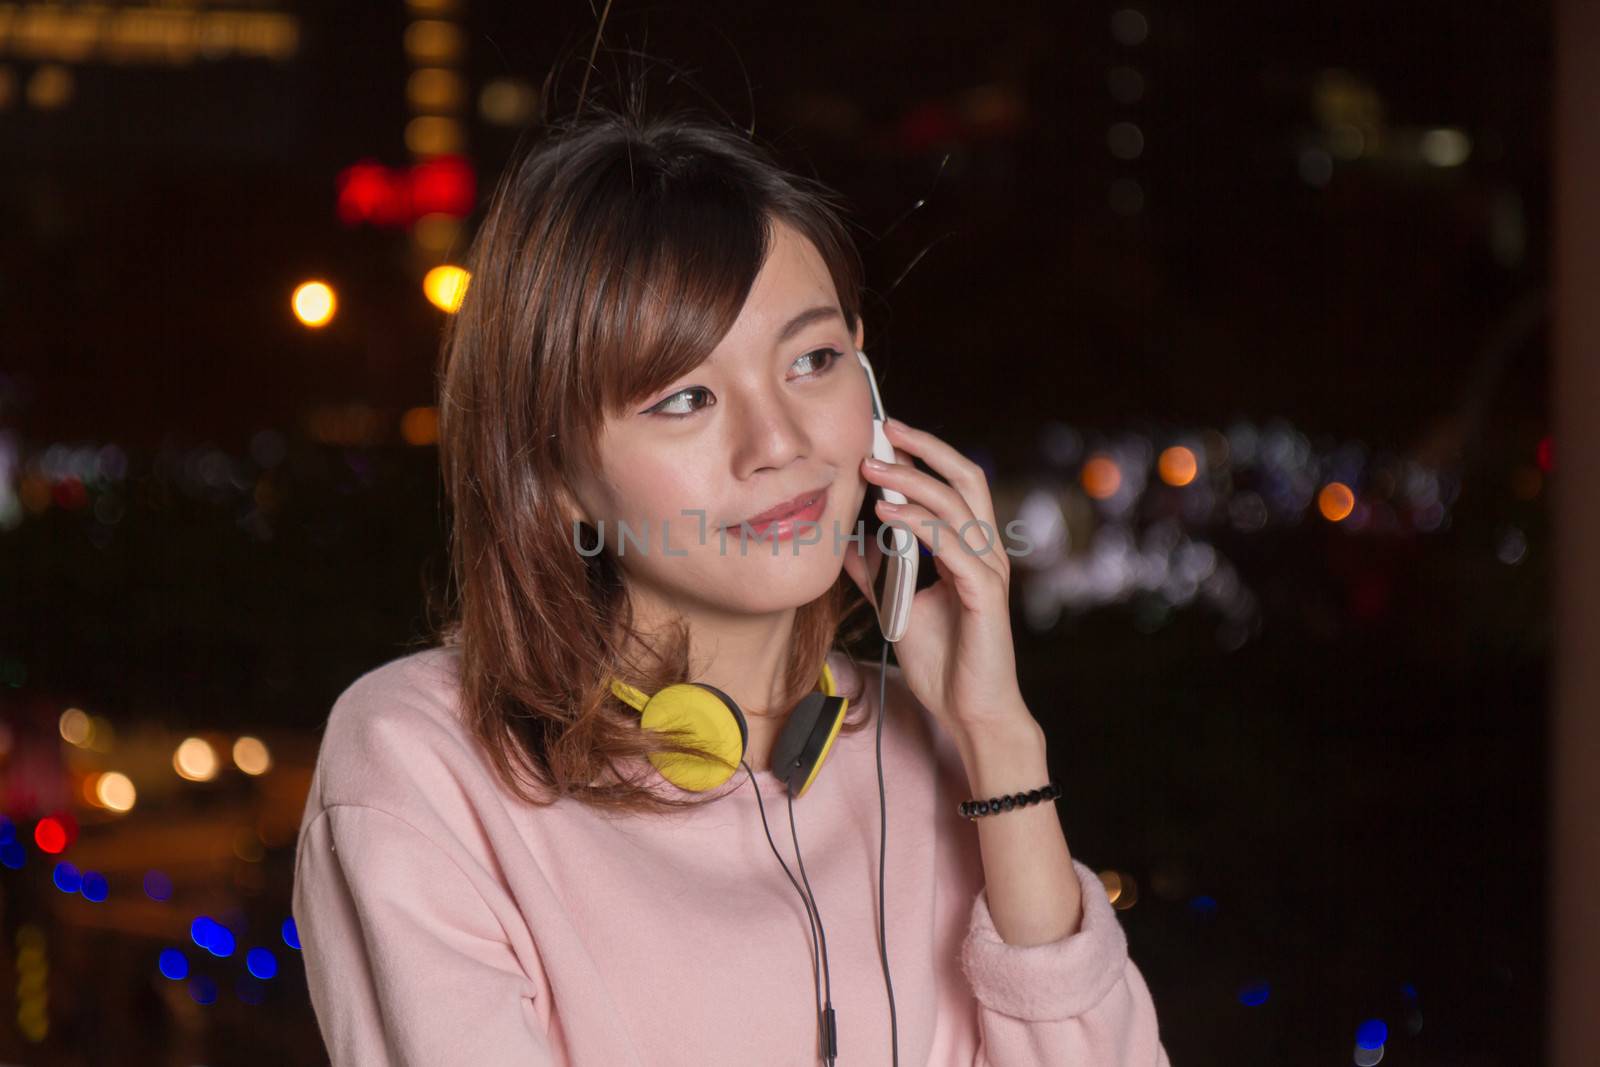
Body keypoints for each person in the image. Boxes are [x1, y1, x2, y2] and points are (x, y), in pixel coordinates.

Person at [290, 97, 1170, 1066]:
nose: (780, 443)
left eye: (814, 359)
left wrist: (999, 744)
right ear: (552, 478)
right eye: (685, 396)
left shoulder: (930, 746)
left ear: (871, 398)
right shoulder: (421, 760)